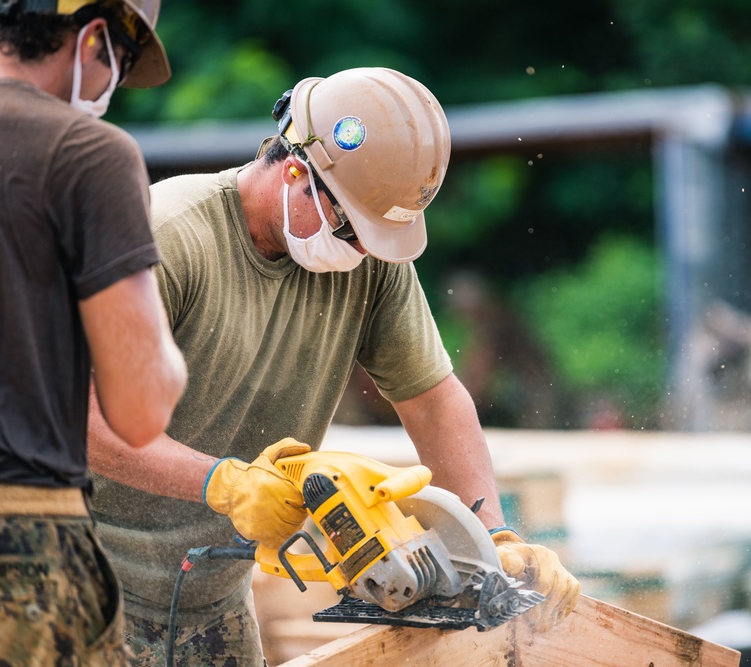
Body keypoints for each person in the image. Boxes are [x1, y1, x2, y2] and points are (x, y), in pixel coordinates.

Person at [86, 67, 581, 666]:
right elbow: (73, 414)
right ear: (296, 173)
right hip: (79, 586)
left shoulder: (367, 252)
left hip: (209, 603)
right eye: (352, 229)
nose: (365, 250)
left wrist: (491, 540)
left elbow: (432, 398)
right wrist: (225, 483)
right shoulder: (167, 235)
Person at [0, 0, 186, 664]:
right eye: (121, 64)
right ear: (96, 36)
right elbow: (138, 409)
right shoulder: (87, 154)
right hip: (20, 549)